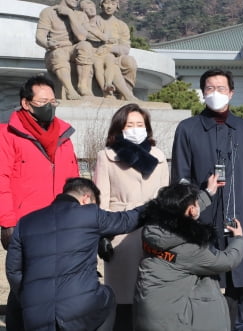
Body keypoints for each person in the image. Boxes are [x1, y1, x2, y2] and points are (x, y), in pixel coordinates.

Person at [171, 68, 243, 331]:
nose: (216, 93)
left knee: (238, 272)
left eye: (221, 88)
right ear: (203, 93)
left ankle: (240, 323)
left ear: (232, 93)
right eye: (210, 89)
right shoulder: (188, 128)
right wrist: (187, 208)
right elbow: (180, 175)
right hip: (201, 213)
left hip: (240, 211)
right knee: (204, 269)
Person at [5, 177, 144, 331]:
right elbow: (128, 220)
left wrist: (27, 299)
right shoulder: (90, 214)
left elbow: (13, 270)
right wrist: (157, 205)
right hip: (79, 311)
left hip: (35, 315)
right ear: (86, 199)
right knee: (108, 295)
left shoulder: (25, 222)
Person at [0, 75, 79, 330]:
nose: (50, 106)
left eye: (53, 101)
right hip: (26, 226)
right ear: (26, 103)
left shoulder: (64, 136)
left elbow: (75, 181)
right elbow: (1, 179)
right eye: (43, 101)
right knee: (23, 287)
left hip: (61, 224)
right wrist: (7, 221)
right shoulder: (7, 134)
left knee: (58, 286)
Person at [94, 103, 169, 331]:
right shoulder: (107, 156)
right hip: (120, 232)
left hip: (154, 231)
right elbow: (101, 198)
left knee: (152, 296)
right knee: (122, 297)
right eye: (130, 125)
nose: (136, 129)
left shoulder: (158, 156)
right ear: (119, 128)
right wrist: (102, 235)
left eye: (140, 124)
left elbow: (165, 196)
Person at [134, 182, 243, 331]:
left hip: (148, 313)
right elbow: (225, 261)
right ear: (192, 210)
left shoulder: (152, 228)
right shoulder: (190, 247)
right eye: (196, 203)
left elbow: (180, 209)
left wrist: (207, 194)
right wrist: (239, 239)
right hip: (170, 322)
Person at [35, 0, 93, 99]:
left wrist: (71, 15)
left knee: (86, 45)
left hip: (72, 49)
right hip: (55, 49)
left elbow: (82, 37)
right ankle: (69, 90)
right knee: (59, 54)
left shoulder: (81, 15)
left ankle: (82, 86)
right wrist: (47, 44)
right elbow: (39, 37)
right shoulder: (48, 12)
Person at [97, 0, 138, 101]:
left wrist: (111, 48)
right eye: (106, 3)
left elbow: (125, 48)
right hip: (99, 55)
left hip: (116, 56)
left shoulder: (121, 25)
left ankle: (126, 94)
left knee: (130, 62)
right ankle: (111, 90)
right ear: (101, 4)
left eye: (113, 4)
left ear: (117, 6)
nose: (109, 7)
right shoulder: (94, 20)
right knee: (109, 61)